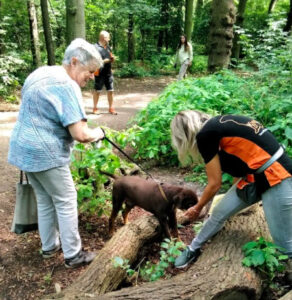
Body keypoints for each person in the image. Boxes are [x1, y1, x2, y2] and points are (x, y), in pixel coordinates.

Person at [8, 38, 105, 269]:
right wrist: (98, 133)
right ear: (74, 62)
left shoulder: (41, 73)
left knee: (44, 198)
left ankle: (49, 247)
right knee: (66, 199)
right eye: (89, 71)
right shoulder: (66, 85)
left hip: (24, 149)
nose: (92, 77)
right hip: (45, 153)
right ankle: (73, 255)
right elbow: (80, 133)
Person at [170, 110, 292, 269]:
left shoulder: (206, 135)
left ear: (184, 133)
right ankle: (193, 248)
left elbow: (214, 183)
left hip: (276, 175)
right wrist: (235, 198)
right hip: (255, 175)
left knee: (284, 245)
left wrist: (197, 208)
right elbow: (239, 167)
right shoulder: (219, 126)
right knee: (219, 213)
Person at [92, 30, 117, 115]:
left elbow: (110, 56)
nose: (109, 39)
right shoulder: (94, 47)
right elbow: (93, 61)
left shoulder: (108, 47)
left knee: (111, 90)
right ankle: (95, 108)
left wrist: (112, 59)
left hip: (108, 72)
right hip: (99, 72)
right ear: (104, 38)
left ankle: (111, 108)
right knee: (97, 91)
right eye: (108, 37)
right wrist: (103, 61)